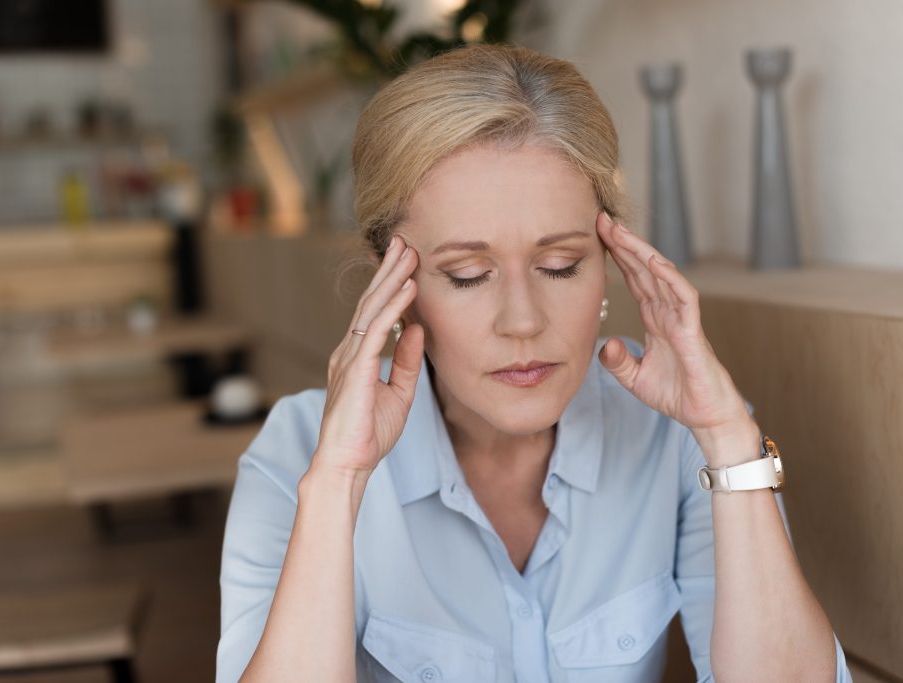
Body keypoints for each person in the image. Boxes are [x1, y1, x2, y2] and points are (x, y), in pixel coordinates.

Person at [217, 43, 853, 682]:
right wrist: (339, 485)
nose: (522, 321)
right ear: (396, 290)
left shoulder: (678, 434)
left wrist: (726, 438)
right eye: (467, 275)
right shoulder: (298, 455)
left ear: (610, 263)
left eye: (560, 266)